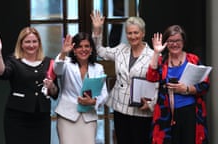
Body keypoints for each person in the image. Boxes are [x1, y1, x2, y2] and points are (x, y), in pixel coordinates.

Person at [91, 11, 157, 144]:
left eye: (136, 33)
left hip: (141, 110)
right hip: (120, 108)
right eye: (129, 33)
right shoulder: (121, 49)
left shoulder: (153, 55)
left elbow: (158, 84)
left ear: (143, 33)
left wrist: (151, 104)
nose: (132, 36)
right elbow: (99, 51)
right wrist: (97, 30)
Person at [0, 27, 59, 144]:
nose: (31, 45)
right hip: (17, 118)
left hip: (41, 118)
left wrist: (51, 87)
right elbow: (2, 73)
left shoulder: (48, 62)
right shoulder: (13, 60)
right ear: (21, 44)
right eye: (27, 42)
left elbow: (55, 93)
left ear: (39, 43)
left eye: (34, 41)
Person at [147, 25, 210, 144]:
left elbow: (205, 85)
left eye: (178, 40)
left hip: (190, 112)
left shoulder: (193, 59)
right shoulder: (162, 61)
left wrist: (186, 89)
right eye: (170, 41)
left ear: (183, 41)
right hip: (166, 114)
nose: (174, 44)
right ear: (166, 43)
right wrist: (156, 53)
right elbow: (151, 77)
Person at [53, 32, 108, 144]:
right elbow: (57, 70)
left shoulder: (98, 68)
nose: (84, 49)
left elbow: (104, 93)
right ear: (74, 49)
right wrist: (63, 52)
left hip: (88, 117)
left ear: (91, 49)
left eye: (87, 46)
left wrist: (94, 101)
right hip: (67, 116)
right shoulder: (66, 64)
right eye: (79, 46)